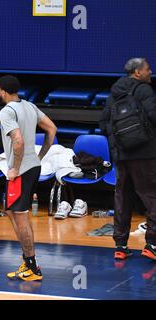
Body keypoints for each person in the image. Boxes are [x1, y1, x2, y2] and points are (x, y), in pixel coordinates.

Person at [0, 75, 56, 281]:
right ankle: (28, 261)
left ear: (2, 91)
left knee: (19, 216)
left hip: (21, 171)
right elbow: (52, 129)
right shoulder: (30, 106)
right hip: (33, 167)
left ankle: (32, 267)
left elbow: (18, 142)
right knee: (13, 212)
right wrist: (40, 156)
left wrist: (14, 168)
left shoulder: (6, 111)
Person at [99, 58, 156, 261]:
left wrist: (119, 145)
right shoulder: (144, 91)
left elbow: (103, 124)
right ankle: (152, 244)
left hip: (121, 156)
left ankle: (121, 246)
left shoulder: (113, 93)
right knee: (152, 197)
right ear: (138, 72)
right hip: (145, 154)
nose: (151, 72)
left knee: (122, 198)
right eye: (148, 69)